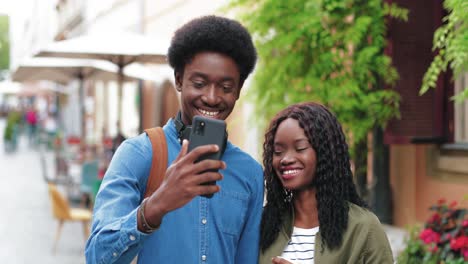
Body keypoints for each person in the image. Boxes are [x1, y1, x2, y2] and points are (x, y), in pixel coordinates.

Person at [85, 15, 264, 263]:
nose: (212, 98)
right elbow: (97, 256)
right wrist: (156, 205)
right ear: (179, 79)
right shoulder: (138, 154)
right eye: (199, 83)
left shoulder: (251, 173)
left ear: (238, 90)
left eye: (225, 87)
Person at [259, 102, 393, 264]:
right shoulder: (263, 225)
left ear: (324, 153)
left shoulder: (363, 228)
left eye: (300, 148)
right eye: (278, 151)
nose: (286, 159)